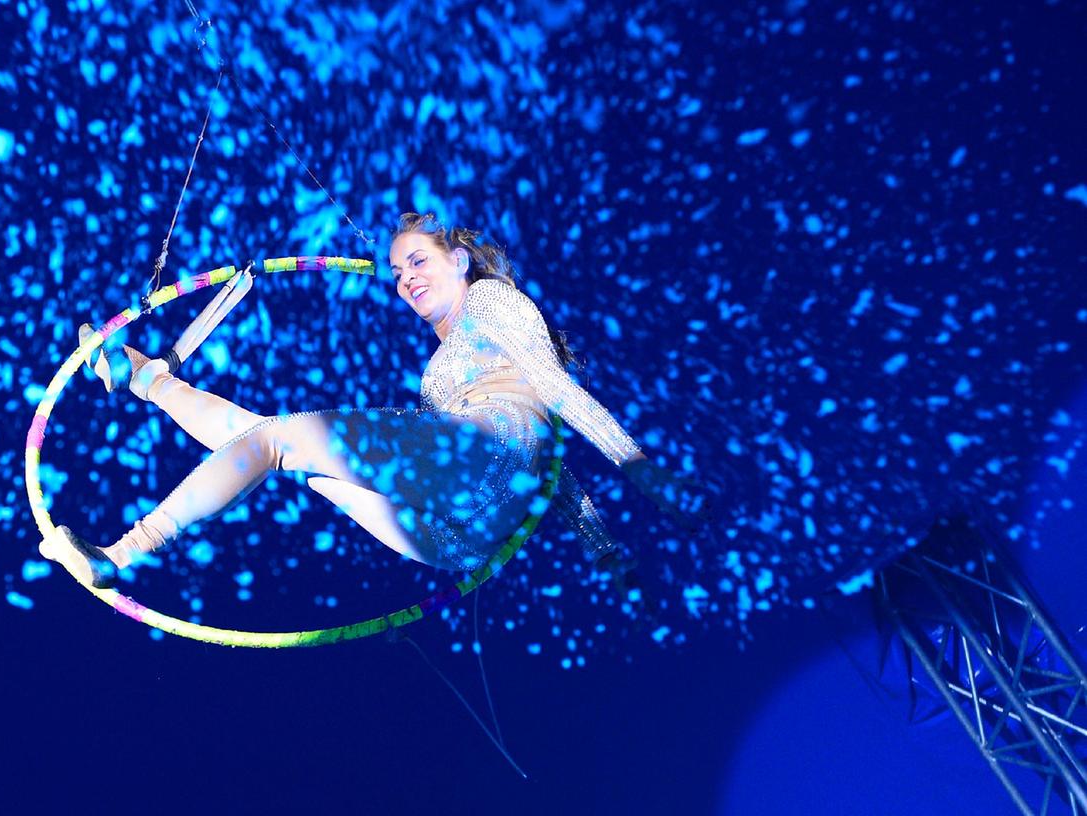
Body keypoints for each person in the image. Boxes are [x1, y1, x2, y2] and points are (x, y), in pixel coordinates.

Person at [40, 213, 705, 588]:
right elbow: (546, 469)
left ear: (460, 262)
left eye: (416, 261)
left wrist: (640, 470)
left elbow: (556, 399)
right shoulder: (450, 358)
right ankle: (146, 379)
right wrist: (604, 551)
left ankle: (120, 552)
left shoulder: (492, 303)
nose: (403, 279)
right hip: (458, 533)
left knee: (277, 441)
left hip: (477, 469)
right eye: (394, 272)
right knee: (269, 441)